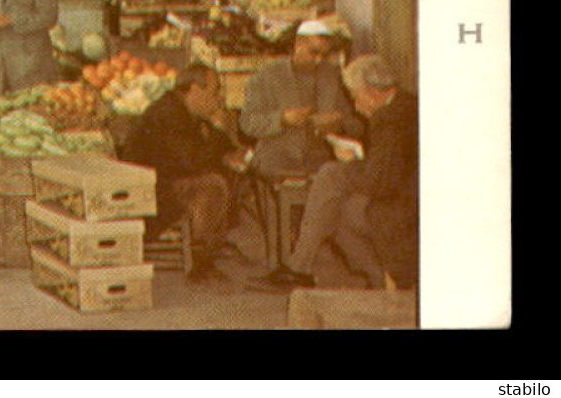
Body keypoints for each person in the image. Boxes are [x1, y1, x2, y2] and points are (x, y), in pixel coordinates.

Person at [256, 54, 418, 290]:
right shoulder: (406, 103)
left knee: (331, 179)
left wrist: (351, 162)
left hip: (402, 207)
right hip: (406, 196)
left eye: (356, 96)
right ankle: (304, 267)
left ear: (372, 91)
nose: (355, 105)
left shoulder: (388, 119)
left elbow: (379, 181)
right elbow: (391, 167)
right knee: (333, 204)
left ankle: (301, 267)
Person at [121, 63, 246, 282]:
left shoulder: (186, 110)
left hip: (166, 182)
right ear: (196, 89)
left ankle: (213, 244)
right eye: (215, 90)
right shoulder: (169, 113)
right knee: (212, 186)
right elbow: (193, 161)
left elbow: (208, 151)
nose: (219, 98)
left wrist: (229, 151)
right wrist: (217, 130)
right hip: (148, 194)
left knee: (226, 176)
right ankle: (201, 261)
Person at [239, 19, 359, 179]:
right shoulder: (267, 77)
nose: (318, 60)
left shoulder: (331, 76)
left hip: (320, 159)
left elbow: (355, 125)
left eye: (324, 55)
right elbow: (247, 123)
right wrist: (282, 119)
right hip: (277, 156)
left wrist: (339, 125)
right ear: (298, 44)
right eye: (314, 52)